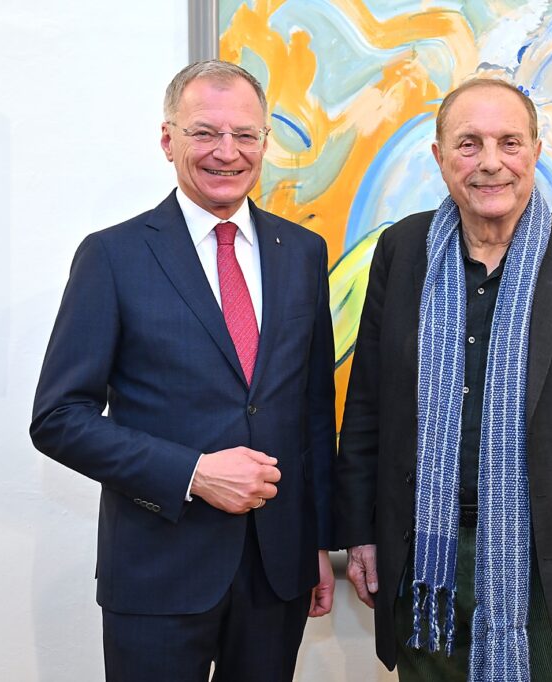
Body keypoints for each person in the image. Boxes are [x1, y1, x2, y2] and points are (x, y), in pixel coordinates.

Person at [335, 78, 552, 681]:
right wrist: (361, 533)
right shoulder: (402, 252)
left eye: (509, 142)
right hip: (428, 567)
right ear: (440, 157)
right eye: (469, 144)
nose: (490, 162)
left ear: (535, 152)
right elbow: (367, 408)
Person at [30, 60, 336, 682]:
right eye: (205, 132)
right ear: (168, 140)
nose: (227, 151)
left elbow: (310, 408)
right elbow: (59, 418)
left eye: (245, 134)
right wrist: (193, 473)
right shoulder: (112, 255)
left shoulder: (302, 252)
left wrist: (317, 542)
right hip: (158, 572)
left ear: (264, 143)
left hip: (276, 573)